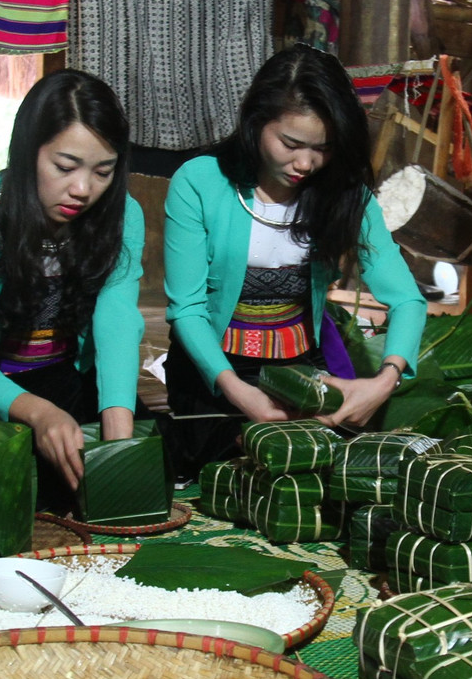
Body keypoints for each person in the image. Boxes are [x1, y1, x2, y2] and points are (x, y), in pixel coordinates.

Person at [162, 45, 426, 474]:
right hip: (211, 374)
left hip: (300, 375)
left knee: (310, 485)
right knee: (217, 480)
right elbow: (187, 309)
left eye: (323, 148)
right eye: (290, 143)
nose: (305, 163)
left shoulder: (345, 195)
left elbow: (408, 301)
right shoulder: (200, 182)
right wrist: (237, 390)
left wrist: (385, 380)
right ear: (255, 122)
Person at [0, 70, 145, 492]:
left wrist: (117, 425)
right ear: (28, 152)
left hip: (66, 380)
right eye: (65, 166)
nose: (83, 189)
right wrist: (38, 413)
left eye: (104, 171)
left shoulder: (122, 216)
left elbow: (117, 319)